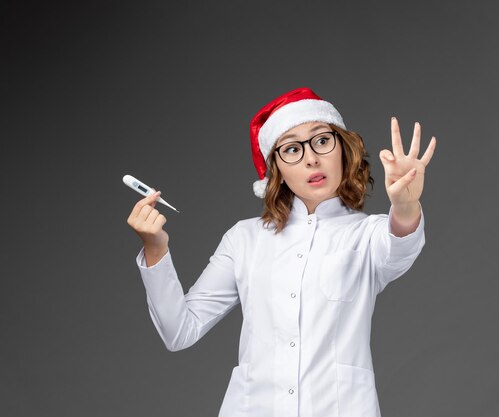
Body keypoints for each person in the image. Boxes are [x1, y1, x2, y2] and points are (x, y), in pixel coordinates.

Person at [126, 87, 436, 417]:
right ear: (276, 169)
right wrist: (155, 248)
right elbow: (179, 331)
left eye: (321, 140)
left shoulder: (368, 235)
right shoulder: (244, 239)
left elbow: (400, 245)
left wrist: (405, 204)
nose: (311, 158)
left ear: (343, 149)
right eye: (291, 149)